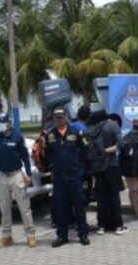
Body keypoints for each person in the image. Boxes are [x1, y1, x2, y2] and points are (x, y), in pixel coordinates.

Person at [44, 106, 90, 247]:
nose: (59, 120)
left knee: (79, 206)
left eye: (61, 117)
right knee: (61, 208)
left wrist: (82, 170)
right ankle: (62, 236)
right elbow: (48, 155)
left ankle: (83, 234)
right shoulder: (50, 135)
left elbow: (86, 151)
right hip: (59, 178)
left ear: (67, 117)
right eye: (56, 118)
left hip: (75, 176)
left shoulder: (77, 132)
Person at [0, 113, 36, 248]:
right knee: (4, 207)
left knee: (24, 207)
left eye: (2, 122)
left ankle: (30, 235)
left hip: (17, 175)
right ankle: (6, 236)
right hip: (2, 175)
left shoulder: (18, 137)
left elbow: (25, 157)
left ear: (9, 123)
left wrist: (28, 174)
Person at [94, 114, 127, 235]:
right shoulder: (113, 126)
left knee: (101, 197)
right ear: (116, 120)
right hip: (112, 165)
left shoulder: (96, 126)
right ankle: (118, 225)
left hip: (98, 166)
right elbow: (121, 144)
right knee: (114, 195)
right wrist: (107, 150)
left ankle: (101, 225)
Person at [72, 105, 94, 206]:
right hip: (83, 166)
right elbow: (88, 149)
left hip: (72, 165)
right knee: (85, 192)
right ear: (89, 117)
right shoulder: (85, 131)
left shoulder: (71, 127)